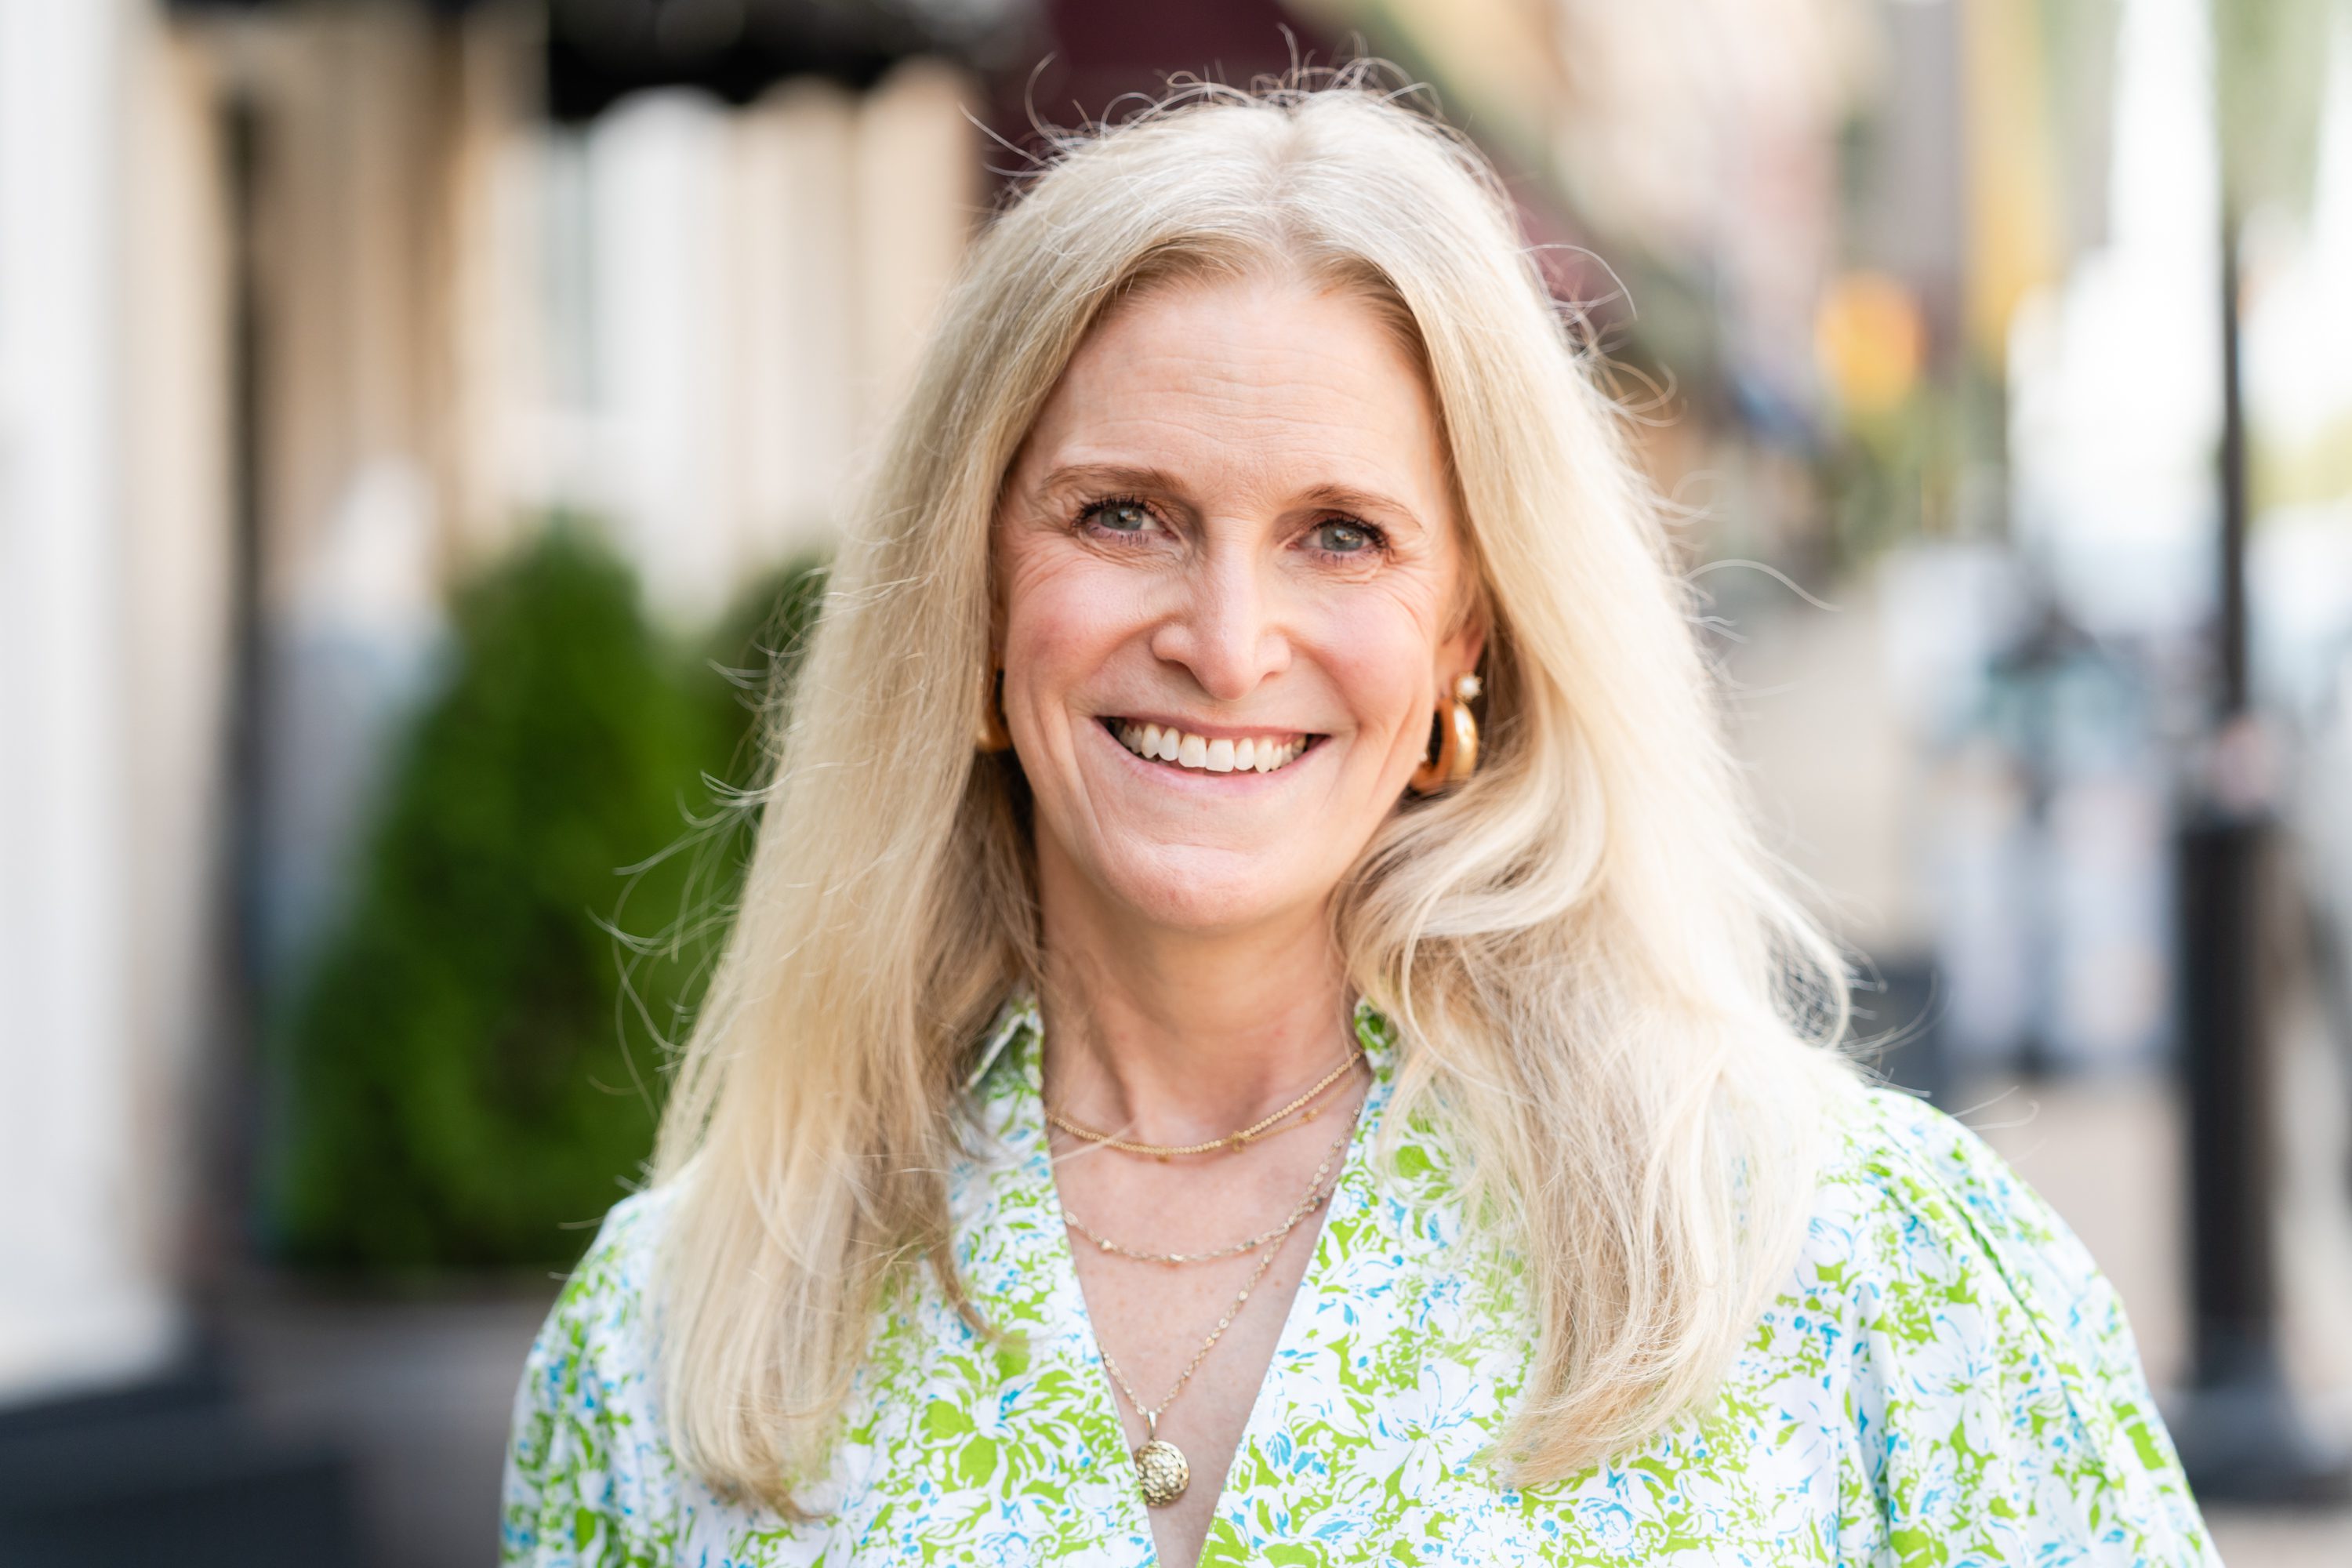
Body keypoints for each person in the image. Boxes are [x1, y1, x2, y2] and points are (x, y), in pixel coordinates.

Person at [500, 76, 2217, 1566]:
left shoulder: (1848, 1262)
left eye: (1342, 535)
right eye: (1124, 514)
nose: (1229, 639)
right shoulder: (683, 1331)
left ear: (1469, 631)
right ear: (968, 597)